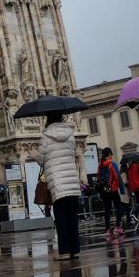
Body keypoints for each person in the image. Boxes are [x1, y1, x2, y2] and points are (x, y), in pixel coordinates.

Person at [38, 111, 83, 259]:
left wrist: (37, 156)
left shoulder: (46, 137)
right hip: (72, 181)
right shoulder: (70, 135)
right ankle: (75, 250)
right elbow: (73, 154)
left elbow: (41, 160)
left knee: (61, 218)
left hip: (57, 183)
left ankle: (64, 251)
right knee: (72, 217)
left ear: (47, 120)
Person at [95, 148, 126, 238]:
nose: (112, 156)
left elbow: (98, 178)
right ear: (109, 154)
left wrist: (100, 191)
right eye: (111, 154)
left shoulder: (100, 165)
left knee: (107, 210)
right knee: (118, 207)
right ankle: (118, 227)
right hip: (113, 189)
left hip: (105, 190)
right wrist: (122, 189)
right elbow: (117, 177)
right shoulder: (112, 164)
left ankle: (108, 229)